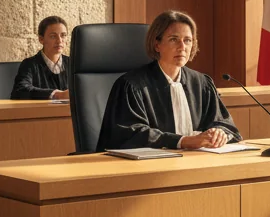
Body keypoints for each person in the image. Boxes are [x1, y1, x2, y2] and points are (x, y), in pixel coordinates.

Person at [97, 10, 241, 151]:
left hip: (198, 163)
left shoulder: (202, 83)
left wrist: (219, 133)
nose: (182, 47)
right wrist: (183, 141)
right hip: (148, 168)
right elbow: (131, 135)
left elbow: (225, 124)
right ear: (157, 45)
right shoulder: (132, 86)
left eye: (187, 40)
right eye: (174, 39)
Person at [11, 16, 70, 100]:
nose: (59, 40)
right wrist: (57, 95)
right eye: (53, 36)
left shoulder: (74, 63)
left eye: (63, 35)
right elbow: (20, 90)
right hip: (40, 112)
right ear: (41, 39)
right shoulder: (29, 64)